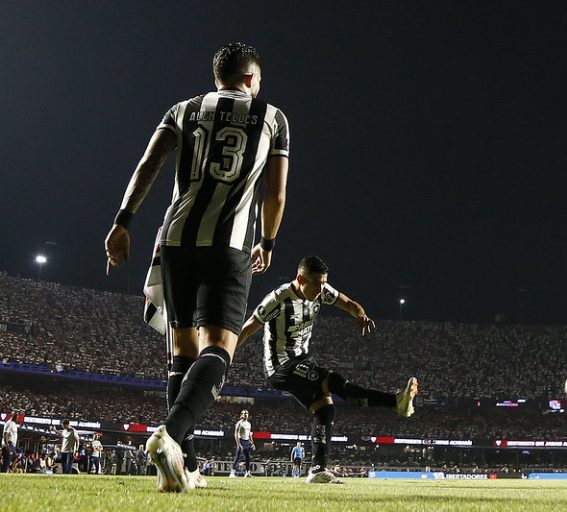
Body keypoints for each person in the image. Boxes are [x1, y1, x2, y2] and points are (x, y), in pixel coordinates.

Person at [104, 42, 289, 492]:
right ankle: (170, 434)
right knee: (219, 348)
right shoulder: (273, 118)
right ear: (250, 79)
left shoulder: (183, 109)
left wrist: (122, 221)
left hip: (175, 241)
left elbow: (149, 163)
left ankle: (181, 469)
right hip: (229, 246)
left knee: (183, 353)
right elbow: (275, 194)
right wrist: (267, 240)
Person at [238, 256, 419, 484]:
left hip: (303, 360)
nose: (320, 288)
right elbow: (250, 326)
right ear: (300, 278)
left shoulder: (322, 291)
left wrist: (360, 315)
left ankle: (318, 471)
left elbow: (350, 304)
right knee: (332, 381)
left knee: (325, 410)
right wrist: (226, 355)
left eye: (323, 283)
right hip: (280, 366)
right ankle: (396, 402)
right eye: (316, 283)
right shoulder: (278, 299)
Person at [229, 410, 252, 477]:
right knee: (237, 457)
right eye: (244, 413)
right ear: (241, 414)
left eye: (246, 413)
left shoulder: (249, 424)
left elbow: (249, 434)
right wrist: (238, 444)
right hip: (241, 441)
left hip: (247, 441)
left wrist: (251, 442)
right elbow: (236, 434)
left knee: (248, 458)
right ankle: (232, 473)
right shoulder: (239, 423)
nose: (245, 414)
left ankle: (247, 473)